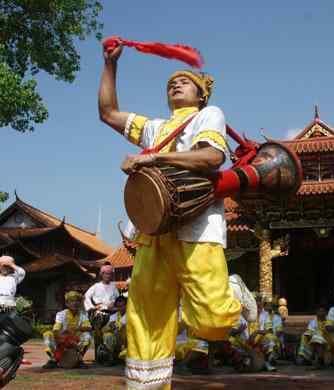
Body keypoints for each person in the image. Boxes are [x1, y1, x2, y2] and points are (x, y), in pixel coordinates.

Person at [98, 43, 241, 389]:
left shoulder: (209, 115)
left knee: (212, 320)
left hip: (197, 227)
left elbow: (211, 158)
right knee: (145, 318)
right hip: (153, 233)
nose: (175, 85)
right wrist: (110, 65)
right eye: (170, 84)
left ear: (201, 94)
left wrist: (154, 159)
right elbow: (108, 112)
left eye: (184, 81)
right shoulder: (154, 128)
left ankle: (238, 290)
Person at [43, 291, 92, 369]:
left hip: (76, 342)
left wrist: (76, 330)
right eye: (72, 301)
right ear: (67, 304)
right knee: (47, 334)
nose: (75, 303)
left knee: (87, 336)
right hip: (62, 339)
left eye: (77, 301)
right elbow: (56, 330)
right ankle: (53, 360)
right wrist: (65, 339)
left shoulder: (83, 315)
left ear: (80, 303)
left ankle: (79, 360)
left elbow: (89, 327)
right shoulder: (61, 314)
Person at [252, 296, 283, 372]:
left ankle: (269, 360)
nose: (258, 305)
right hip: (248, 339)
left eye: (259, 304)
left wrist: (257, 333)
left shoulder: (269, 316)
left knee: (270, 338)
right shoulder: (247, 314)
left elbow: (270, 331)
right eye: (256, 304)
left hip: (263, 339)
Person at [296, 303, 331, 368]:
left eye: (322, 311)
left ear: (326, 312)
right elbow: (309, 332)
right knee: (305, 336)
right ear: (316, 312)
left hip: (326, 341)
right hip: (315, 340)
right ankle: (303, 356)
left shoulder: (329, 321)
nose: (320, 313)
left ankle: (318, 360)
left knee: (318, 339)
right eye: (319, 311)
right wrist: (311, 340)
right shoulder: (313, 321)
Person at [102, 295, 128, 364]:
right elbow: (104, 329)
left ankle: (125, 353)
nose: (120, 308)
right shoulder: (113, 316)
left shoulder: (132, 315)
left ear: (127, 305)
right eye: (118, 307)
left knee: (124, 329)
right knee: (107, 335)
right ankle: (111, 357)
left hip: (128, 340)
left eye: (122, 306)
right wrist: (110, 327)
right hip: (117, 338)